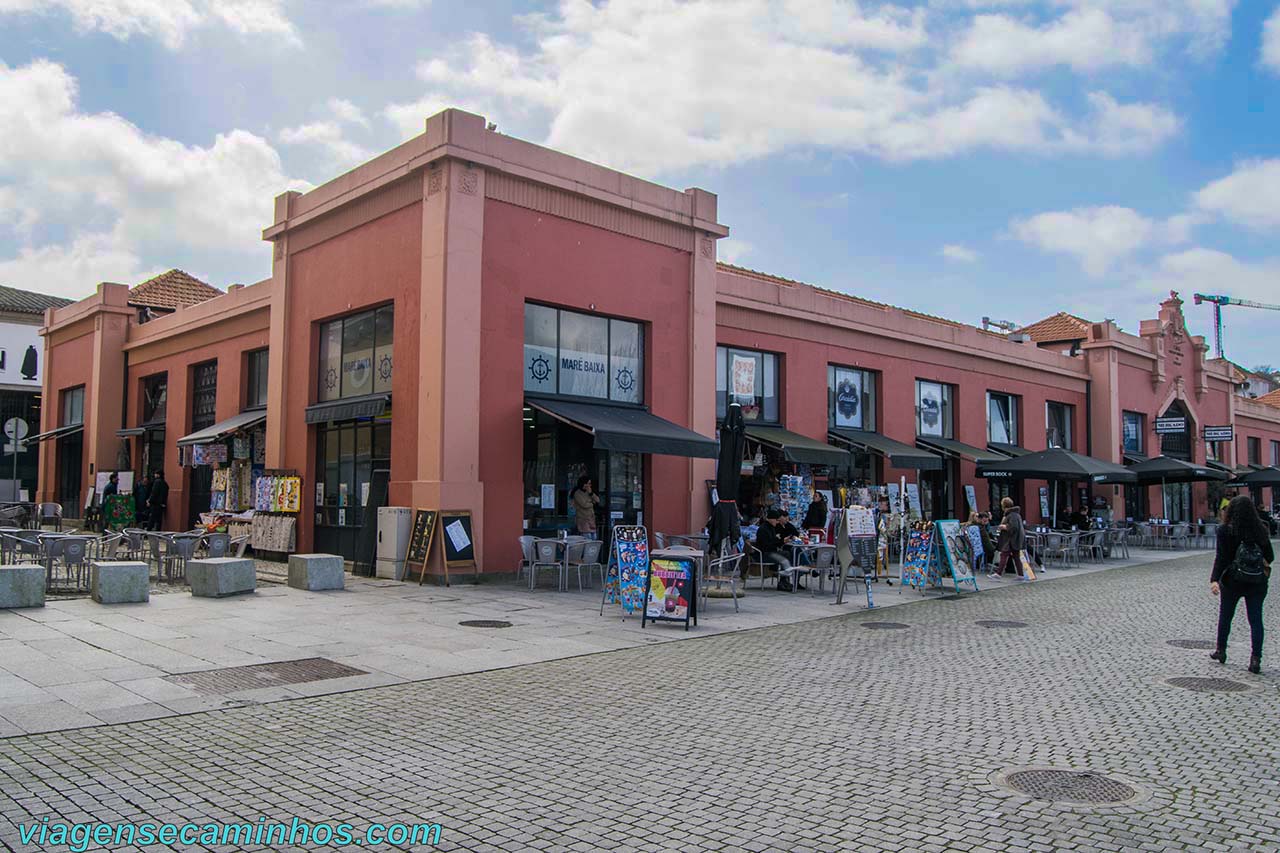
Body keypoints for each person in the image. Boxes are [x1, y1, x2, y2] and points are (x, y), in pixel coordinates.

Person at [1210, 495, 1273, 674]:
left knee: (1226, 616)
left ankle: (1221, 650)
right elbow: (1270, 556)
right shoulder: (1261, 529)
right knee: (1255, 620)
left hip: (1232, 581)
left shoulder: (1225, 530)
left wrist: (1214, 579)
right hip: (1257, 582)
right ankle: (1255, 659)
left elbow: (1221, 558)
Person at [756, 508, 804, 591]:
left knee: (788, 553)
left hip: (771, 551)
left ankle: (785, 579)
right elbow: (767, 544)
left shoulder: (771, 527)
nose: (778, 522)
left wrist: (782, 541)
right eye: (776, 520)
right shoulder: (763, 529)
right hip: (765, 553)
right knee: (786, 555)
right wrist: (781, 541)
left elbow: (774, 541)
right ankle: (783, 581)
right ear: (771, 519)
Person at [990, 498, 1026, 580]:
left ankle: (998, 574)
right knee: (1016, 556)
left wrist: (1004, 527)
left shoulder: (1011, 515)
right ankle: (1020, 575)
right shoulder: (1015, 514)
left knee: (1004, 554)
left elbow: (1014, 527)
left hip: (1011, 540)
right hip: (1015, 540)